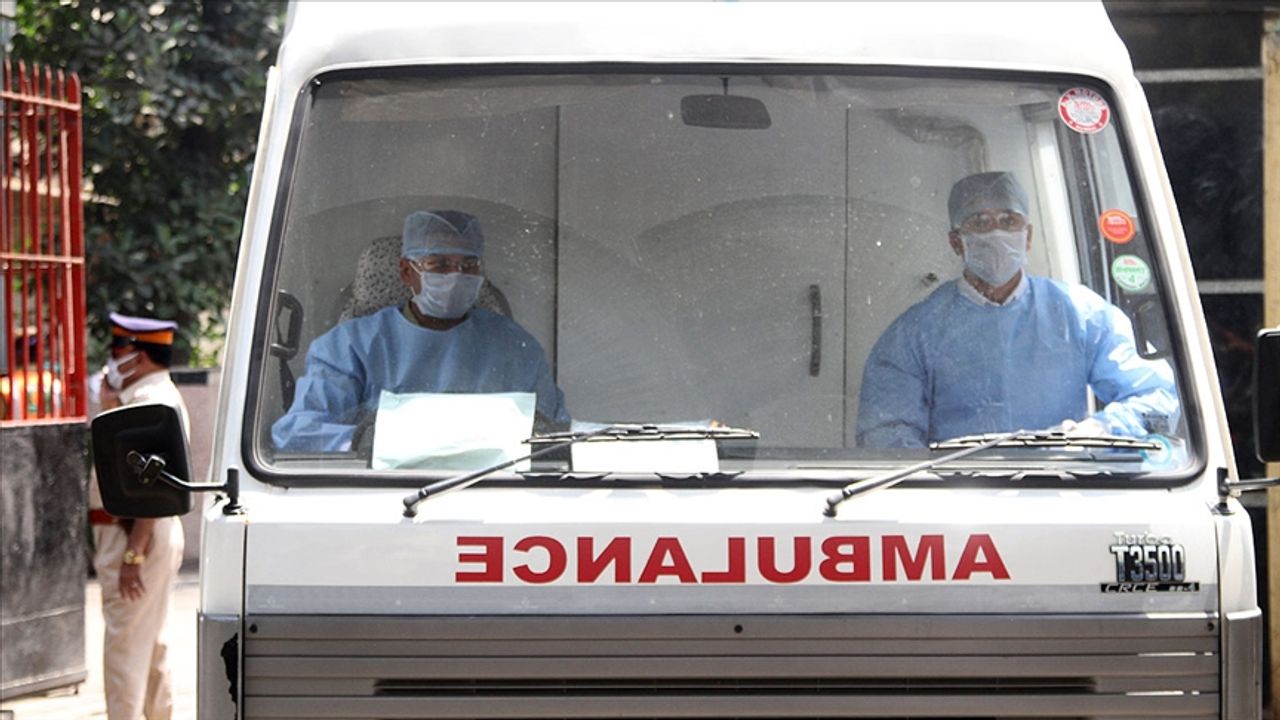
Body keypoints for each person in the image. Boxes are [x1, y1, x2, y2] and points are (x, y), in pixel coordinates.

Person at [856, 171, 1179, 448]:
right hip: (958, 495)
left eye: (1009, 220)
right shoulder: (915, 333)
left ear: (1028, 236)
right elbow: (885, 433)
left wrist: (1105, 429)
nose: (996, 232)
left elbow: (1157, 395)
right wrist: (936, 483)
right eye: (980, 222)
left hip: (1063, 486)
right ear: (956, 242)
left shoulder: (1081, 314)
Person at [272, 210, 569, 452]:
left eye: (468, 265)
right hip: (380, 493)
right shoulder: (349, 347)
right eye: (439, 265)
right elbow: (296, 434)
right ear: (406, 272)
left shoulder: (515, 347)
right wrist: (364, 441)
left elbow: (559, 434)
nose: (456, 276)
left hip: (493, 490)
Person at [87, 312, 188, 720]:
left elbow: (151, 489)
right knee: (150, 645)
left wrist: (133, 553)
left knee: (125, 649)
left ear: (139, 357)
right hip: (144, 534)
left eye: (118, 350)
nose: (112, 361)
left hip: (135, 536)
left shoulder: (148, 403)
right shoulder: (149, 397)